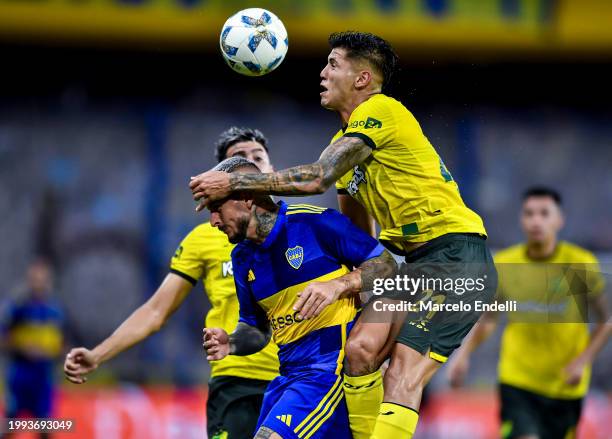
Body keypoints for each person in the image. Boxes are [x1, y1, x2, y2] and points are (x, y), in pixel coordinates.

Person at [189, 31, 496, 438]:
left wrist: (236, 185)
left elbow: (317, 178)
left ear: (362, 79)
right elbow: (362, 244)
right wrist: (350, 284)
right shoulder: (343, 148)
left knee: (402, 374)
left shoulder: (382, 111)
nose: (322, 73)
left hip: (456, 255)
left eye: (332, 64)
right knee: (360, 351)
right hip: (413, 266)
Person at [64, 127, 280, 439]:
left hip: (299, 378)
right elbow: (155, 311)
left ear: (272, 169)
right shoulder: (205, 238)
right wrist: (99, 354)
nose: (251, 165)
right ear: (218, 179)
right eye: (238, 160)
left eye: (258, 158)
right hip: (237, 382)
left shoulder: (303, 224)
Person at [202, 156, 397, 439]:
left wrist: (339, 285)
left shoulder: (314, 223)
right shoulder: (242, 258)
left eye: (216, 208)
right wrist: (231, 342)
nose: (213, 221)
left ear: (245, 199)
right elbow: (255, 328)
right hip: (288, 376)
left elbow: (388, 266)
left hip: (328, 369)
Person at [447, 187, 610, 439]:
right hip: (518, 380)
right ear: (521, 219)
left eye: (544, 213)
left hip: (564, 388)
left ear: (559, 220)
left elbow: (606, 320)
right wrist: (463, 355)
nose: (536, 221)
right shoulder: (506, 263)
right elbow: (489, 317)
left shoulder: (579, 264)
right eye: (529, 213)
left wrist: (582, 361)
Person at [2, 259, 63, 439]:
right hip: (20, 376)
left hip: (44, 378)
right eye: (35, 279)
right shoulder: (17, 307)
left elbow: (65, 343)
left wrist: (55, 351)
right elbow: (3, 338)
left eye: (42, 279)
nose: (39, 284)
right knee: (10, 426)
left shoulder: (57, 311)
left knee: (45, 427)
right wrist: (22, 347)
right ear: (29, 280)